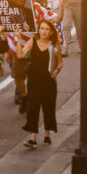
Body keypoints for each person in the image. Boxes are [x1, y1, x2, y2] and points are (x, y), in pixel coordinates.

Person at [17, 20, 63, 149]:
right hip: (34, 80)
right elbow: (20, 55)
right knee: (33, 107)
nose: (43, 32)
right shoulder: (33, 41)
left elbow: (60, 62)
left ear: (51, 32)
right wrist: (19, 38)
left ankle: (47, 134)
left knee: (48, 107)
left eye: (47, 29)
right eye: (42, 28)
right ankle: (32, 138)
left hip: (48, 80)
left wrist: (57, 70)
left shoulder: (54, 44)